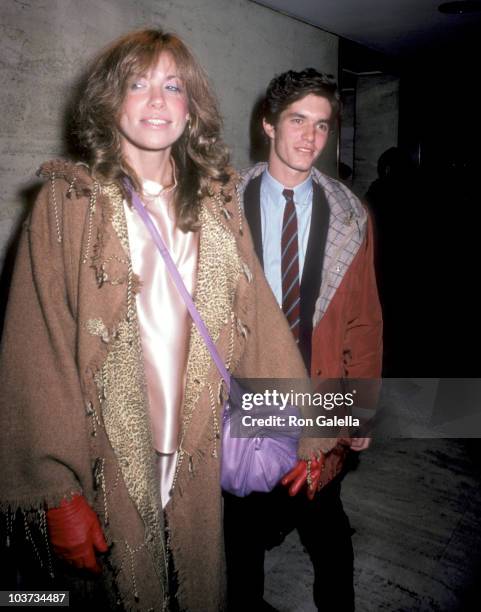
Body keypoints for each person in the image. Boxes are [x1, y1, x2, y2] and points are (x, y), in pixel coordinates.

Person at [0, 30, 307, 611]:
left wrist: (315, 424)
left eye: (173, 86)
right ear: (108, 102)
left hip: (195, 445)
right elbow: (35, 353)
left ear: (192, 107)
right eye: (137, 85)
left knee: (194, 585)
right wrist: (55, 489)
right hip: (103, 454)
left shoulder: (216, 203)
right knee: (99, 594)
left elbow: (259, 320)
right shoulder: (66, 206)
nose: (158, 101)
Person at [224, 68, 383, 611]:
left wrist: (357, 409)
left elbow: (363, 320)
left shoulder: (350, 216)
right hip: (248, 400)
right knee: (241, 536)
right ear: (268, 124)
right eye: (297, 120)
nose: (310, 138)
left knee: (329, 534)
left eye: (321, 125)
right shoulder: (221, 208)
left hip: (319, 397)